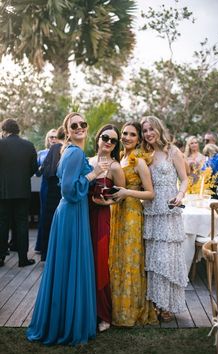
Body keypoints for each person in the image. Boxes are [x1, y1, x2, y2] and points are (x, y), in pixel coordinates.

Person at [26, 112, 108, 345]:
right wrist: (94, 173)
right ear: (68, 130)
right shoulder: (74, 152)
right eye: (75, 125)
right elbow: (70, 191)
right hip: (71, 213)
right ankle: (66, 324)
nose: (80, 127)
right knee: (70, 266)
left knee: (68, 267)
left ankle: (66, 320)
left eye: (83, 124)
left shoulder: (72, 152)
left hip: (73, 213)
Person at [109, 121, 158, 326]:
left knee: (130, 260)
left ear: (138, 138)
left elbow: (150, 194)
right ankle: (116, 308)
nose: (127, 137)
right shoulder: (120, 158)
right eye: (124, 134)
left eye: (132, 134)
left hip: (131, 215)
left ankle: (130, 311)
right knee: (118, 258)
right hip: (117, 213)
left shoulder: (139, 161)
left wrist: (127, 192)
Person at [141, 116, 188, 322]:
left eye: (151, 129)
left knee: (167, 258)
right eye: (145, 130)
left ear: (159, 129)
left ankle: (168, 305)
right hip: (152, 211)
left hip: (170, 211)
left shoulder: (173, 152)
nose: (148, 133)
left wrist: (179, 195)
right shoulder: (145, 154)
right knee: (154, 259)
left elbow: (185, 179)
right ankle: (156, 304)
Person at [89, 124, 125, 332]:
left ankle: (104, 315)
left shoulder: (115, 167)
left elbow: (120, 196)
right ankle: (87, 310)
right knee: (87, 263)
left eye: (113, 140)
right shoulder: (88, 162)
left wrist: (107, 203)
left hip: (102, 218)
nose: (109, 142)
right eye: (105, 137)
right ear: (98, 138)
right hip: (83, 217)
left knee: (100, 264)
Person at [0, 119, 38, 267]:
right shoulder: (29, 146)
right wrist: (22, 178)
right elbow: (34, 168)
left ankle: (1, 257)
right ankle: (23, 259)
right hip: (23, 191)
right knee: (22, 225)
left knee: (2, 224)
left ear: (4, 130)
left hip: (3, 192)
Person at [40, 126, 65, 261]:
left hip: (50, 189)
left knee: (48, 221)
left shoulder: (53, 149)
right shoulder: (64, 149)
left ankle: (46, 254)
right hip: (59, 190)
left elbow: (44, 168)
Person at [34, 129, 58, 253]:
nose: (53, 139)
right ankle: (40, 245)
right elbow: (37, 173)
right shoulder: (41, 153)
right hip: (45, 186)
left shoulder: (62, 151)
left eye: (55, 137)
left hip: (57, 188)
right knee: (43, 214)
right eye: (51, 137)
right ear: (48, 139)